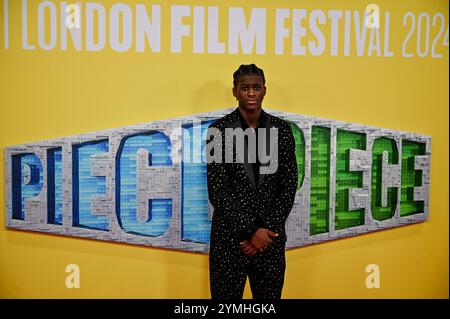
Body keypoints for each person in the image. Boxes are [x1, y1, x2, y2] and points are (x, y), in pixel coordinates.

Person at [206, 64, 298, 299]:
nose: (250, 93)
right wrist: (251, 231)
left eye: (256, 88)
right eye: (244, 88)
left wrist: (263, 234)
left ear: (264, 90)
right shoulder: (217, 131)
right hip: (230, 242)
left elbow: (288, 185)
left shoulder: (282, 130)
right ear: (234, 91)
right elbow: (217, 191)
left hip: (270, 242)